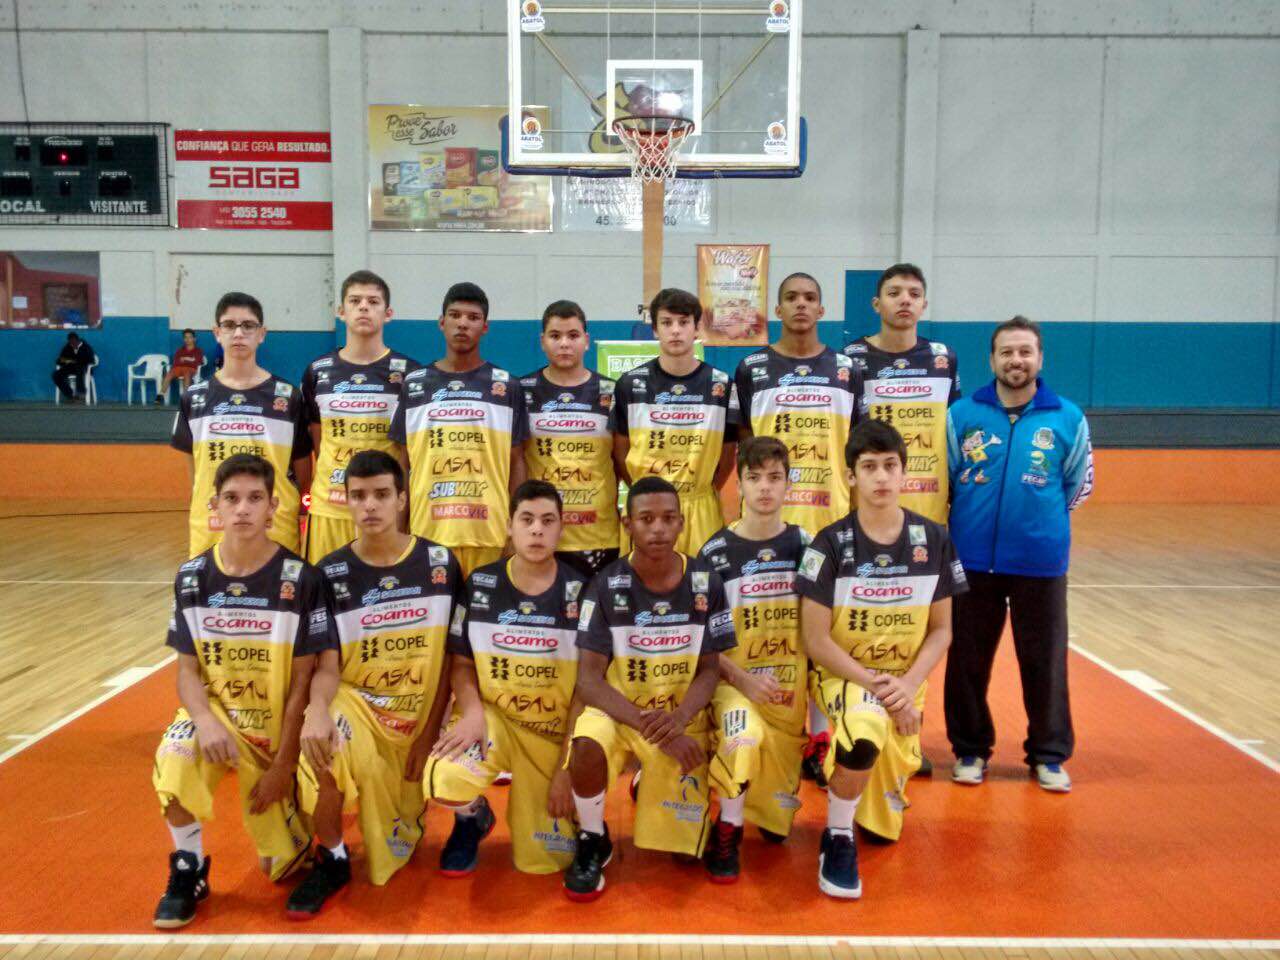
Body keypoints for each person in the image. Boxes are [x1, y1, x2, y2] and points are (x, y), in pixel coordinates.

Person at [151, 454, 334, 928]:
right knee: (175, 758)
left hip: (273, 731)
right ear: (214, 506)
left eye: (255, 499)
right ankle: (188, 868)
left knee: (282, 870)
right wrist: (204, 719)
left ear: (273, 507)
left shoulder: (301, 579)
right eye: (231, 499)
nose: (243, 509)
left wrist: (283, 765)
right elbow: (186, 671)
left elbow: (302, 683)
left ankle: (294, 827)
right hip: (218, 717)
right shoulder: (192, 577)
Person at [796, 420, 967, 899]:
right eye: (869, 467)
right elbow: (815, 640)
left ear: (904, 472)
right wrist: (876, 685)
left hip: (904, 683)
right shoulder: (828, 544)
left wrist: (907, 686)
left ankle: (858, 796)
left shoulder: (934, 539)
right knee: (866, 731)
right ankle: (836, 836)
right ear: (851, 476)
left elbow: (942, 630)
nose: (881, 477)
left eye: (890, 465)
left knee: (884, 827)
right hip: (845, 677)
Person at [287, 450, 462, 917]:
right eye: (359, 495)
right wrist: (316, 711)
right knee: (321, 750)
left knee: (403, 834)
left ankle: (471, 815)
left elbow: (452, 659)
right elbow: (327, 665)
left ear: (402, 499)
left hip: (418, 715)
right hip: (358, 707)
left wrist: (431, 731)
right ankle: (332, 857)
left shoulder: (440, 564)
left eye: (382, 494)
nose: (370, 505)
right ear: (345, 501)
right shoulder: (329, 573)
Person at [564, 476, 736, 901]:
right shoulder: (605, 585)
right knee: (586, 743)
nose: (657, 528)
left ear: (681, 523)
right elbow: (588, 680)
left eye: (667, 518)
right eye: (646, 519)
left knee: (685, 857)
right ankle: (592, 837)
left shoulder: (706, 582)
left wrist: (678, 720)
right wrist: (652, 726)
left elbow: (710, 670)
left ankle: (652, 783)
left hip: (678, 715)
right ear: (628, 524)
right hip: (622, 711)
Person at [943, 316, 1094, 793]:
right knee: (967, 662)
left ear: (1040, 358)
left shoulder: (1067, 418)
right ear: (992, 359)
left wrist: (1038, 520)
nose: (1016, 360)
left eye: (1025, 351)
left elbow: (1077, 485)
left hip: (1040, 562)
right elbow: (948, 479)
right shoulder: (962, 414)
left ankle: (1048, 755)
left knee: (1044, 662)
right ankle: (970, 750)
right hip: (972, 561)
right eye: (1007, 352)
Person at [424, 479, 587, 876]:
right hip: (495, 721)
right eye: (526, 520)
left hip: (552, 730)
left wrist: (566, 766)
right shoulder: (482, 584)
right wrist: (471, 712)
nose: (537, 530)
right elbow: (461, 663)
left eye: (547, 521)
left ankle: (583, 822)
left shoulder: (581, 592)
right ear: (509, 527)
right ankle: (471, 818)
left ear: (561, 528)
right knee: (444, 777)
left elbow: (587, 686)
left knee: (546, 861)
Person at [697, 436, 810, 882]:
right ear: (739, 485)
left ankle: (760, 801)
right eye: (754, 477)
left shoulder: (807, 547)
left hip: (787, 695)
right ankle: (728, 828)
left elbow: (821, 629)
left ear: (788, 484)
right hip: (733, 686)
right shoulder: (714, 553)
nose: (765, 487)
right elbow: (699, 641)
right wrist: (741, 679)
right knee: (741, 742)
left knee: (778, 827)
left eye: (775, 477)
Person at [390, 282, 528, 578]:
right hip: (428, 533)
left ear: (485, 327)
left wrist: (516, 530)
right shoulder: (415, 385)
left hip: (491, 534)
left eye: (473, 317)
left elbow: (517, 461)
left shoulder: (506, 386)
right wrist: (398, 530)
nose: (463, 323)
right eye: (455, 315)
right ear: (442, 323)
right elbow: (402, 463)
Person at [172, 292, 312, 558]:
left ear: (262, 334)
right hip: (212, 529)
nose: (238, 333)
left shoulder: (287, 396)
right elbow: (196, 473)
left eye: (248, 325)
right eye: (229, 325)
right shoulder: (194, 397)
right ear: (217, 333)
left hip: (276, 529)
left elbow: (303, 470)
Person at [301, 270, 420, 563]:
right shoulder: (317, 371)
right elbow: (319, 440)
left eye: (373, 301)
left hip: (384, 510)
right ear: (341, 311)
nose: (364, 307)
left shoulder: (410, 374)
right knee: (324, 589)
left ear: (388, 313)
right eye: (355, 301)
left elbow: (409, 453)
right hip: (330, 508)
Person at [610, 288, 738, 556]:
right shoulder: (630, 384)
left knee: (701, 579)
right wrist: (646, 492)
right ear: (655, 330)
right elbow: (620, 452)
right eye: (667, 323)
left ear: (697, 328)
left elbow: (727, 455)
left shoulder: (721, 386)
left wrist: (702, 489)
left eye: (684, 322)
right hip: (647, 509)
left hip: (700, 508)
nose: (676, 330)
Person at [734, 273, 862, 537]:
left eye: (810, 298)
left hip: (831, 512)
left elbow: (858, 449)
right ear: (778, 310)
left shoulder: (847, 369)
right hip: (768, 516)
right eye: (791, 298)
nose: (801, 304)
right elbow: (746, 445)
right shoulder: (751, 368)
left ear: (821, 310)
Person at [843, 263, 960, 524]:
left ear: (924, 305)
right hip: (869, 503)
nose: (905, 300)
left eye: (914, 294)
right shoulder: (851, 359)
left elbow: (953, 435)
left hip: (929, 504)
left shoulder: (943, 359)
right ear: (876, 304)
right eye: (894, 293)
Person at [520, 300, 620, 580]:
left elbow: (622, 461)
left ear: (586, 341)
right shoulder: (522, 391)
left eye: (573, 335)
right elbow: (515, 461)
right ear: (542, 341)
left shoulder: (611, 392)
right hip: (540, 534)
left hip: (598, 535)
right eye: (555, 336)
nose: (564, 343)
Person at [155, 329, 205, 404]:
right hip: (178, 368)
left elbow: (198, 361)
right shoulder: (180, 350)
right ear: (183, 339)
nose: (188, 339)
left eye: (190, 337)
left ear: (194, 339)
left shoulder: (198, 351)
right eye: (186, 337)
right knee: (169, 374)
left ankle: (185, 398)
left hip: (191, 369)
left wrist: (185, 359)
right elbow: (176, 362)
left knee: (187, 375)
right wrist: (190, 359)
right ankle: (160, 394)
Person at [51, 331, 96, 403]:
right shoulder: (68, 347)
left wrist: (76, 360)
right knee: (56, 375)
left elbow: (91, 360)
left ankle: (81, 394)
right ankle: (70, 395)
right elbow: (59, 360)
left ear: (78, 340)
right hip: (70, 368)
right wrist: (68, 361)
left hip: (83, 368)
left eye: (74, 342)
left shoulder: (86, 347)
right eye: (71, 343)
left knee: (79, 369)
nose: (72, 344)